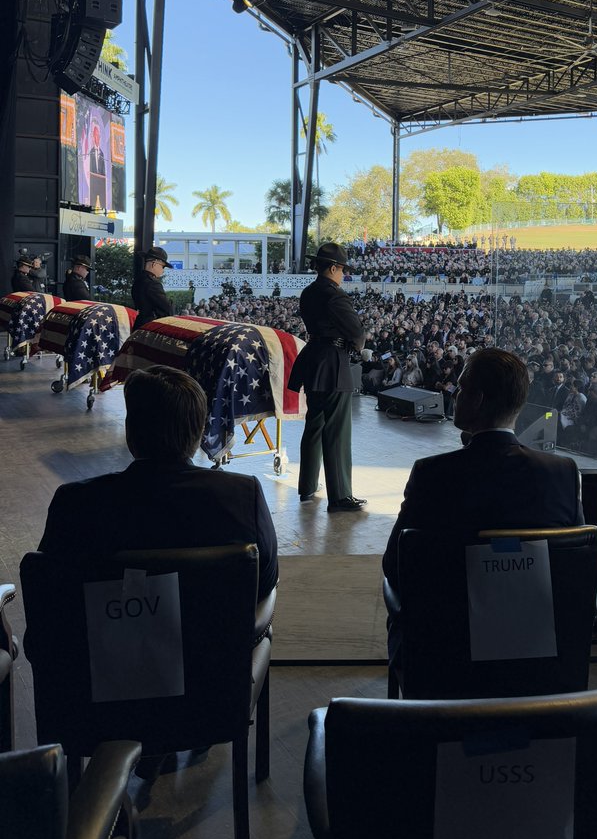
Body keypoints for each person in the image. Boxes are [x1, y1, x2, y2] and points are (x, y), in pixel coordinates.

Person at [382, 347, 585, 665]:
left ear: (476, 400)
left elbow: (394, 567)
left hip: (445, 657)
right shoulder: (562, 474)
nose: (455, 394)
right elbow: (573, 572)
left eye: (461, 388)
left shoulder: (432, 474)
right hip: (535, 657)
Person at [36, 366, 278, 601]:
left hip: (106, 642)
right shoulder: (245, 496)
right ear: (199, 433)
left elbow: (52, 590)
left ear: (130, 431)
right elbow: (264, 584)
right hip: (215, 640)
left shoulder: (74, 503)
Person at [287, 242, 366, 512]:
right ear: (333, 267)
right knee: (337, 431)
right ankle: (341, 496)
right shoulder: (335, 295)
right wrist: (358, 345)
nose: (343, 274)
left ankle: (307, 486)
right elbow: (356, 332)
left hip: (314, 361)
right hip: (333, 364)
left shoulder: (309, 292)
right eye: (342, 269)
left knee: (315, 426)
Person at [132, 246, 174, 329]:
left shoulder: (138, 280)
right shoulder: (153, 284)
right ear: (154, 264)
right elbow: (167, 310)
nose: (163, 270)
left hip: (138, 325)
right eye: (163, 266)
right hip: (151, 328)